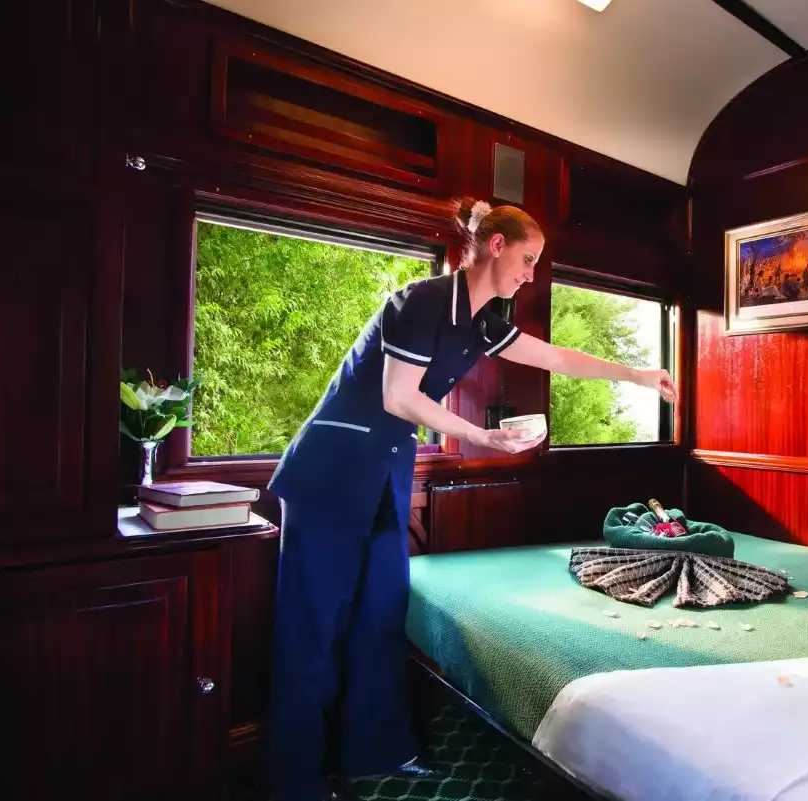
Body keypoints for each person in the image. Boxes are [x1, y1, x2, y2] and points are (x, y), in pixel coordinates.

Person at [266, 198, 677, 801]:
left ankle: (376, 752)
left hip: (385, 470)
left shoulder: (482, 321)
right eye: (528, 260)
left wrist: (636, 375)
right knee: (313, 627)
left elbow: (555, 356)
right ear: (496, 245)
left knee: (380, 615)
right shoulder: (423, 300)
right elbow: (399, 397)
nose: (530, 275)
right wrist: (480, 437)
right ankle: (292, 782)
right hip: (332, 470)